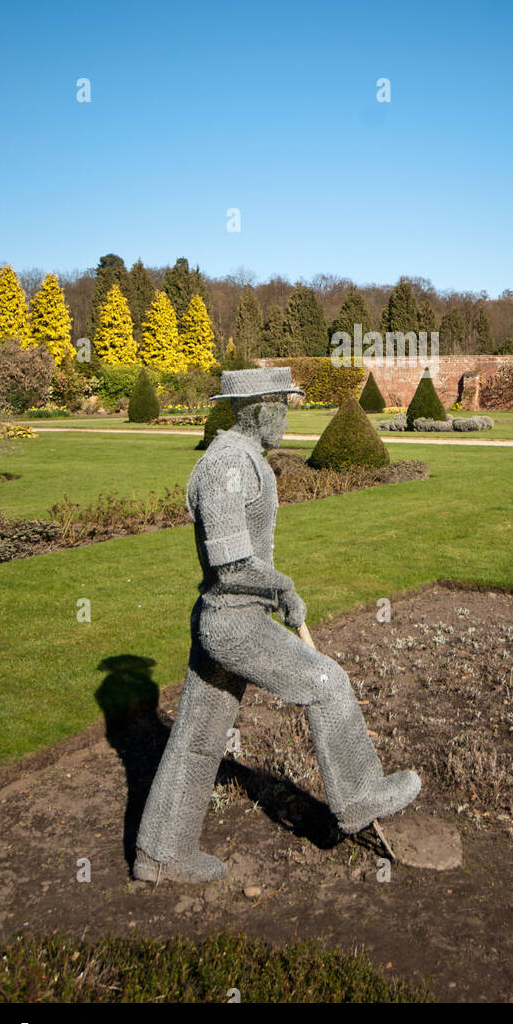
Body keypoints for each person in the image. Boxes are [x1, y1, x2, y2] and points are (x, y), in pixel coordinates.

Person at [134, 366, 421, 883]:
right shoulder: (226, 468)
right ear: (262, 409)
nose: (288, 417)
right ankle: (359, 795)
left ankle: (160, 855)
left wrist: (276, 592)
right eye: (284, 406)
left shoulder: (245, 460)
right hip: (232, 623)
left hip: (231, 617)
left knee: (197, 738)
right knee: (326, 682)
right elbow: (232, 568)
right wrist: (283, 588)